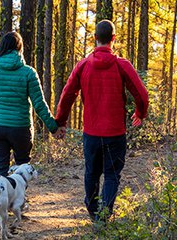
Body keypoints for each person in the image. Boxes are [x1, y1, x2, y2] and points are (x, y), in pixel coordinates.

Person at [54, 20, 149, 221]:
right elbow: (141, 94)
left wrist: (60, 121)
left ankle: (92, 210)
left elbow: (67, 94)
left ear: (95, 38)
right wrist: (140, 113)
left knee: (92, 173)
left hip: (91, 133)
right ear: (113, 39)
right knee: (112, 175)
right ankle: (103, 217)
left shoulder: (83, 65)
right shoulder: (122, 65)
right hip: (115, 133)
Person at [0, 31, 58, 177]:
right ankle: (17, 200)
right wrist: (53, 127)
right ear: (20, 48)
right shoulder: (28, 73)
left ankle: (1, 199)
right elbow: (39, 104)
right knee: (22, 170)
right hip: (20, 129)